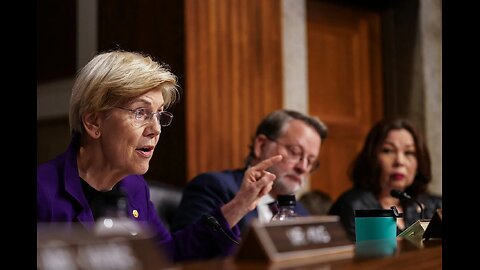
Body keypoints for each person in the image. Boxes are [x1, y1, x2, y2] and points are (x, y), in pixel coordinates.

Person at [37, 50, 284, 262]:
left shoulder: (135, 188)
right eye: (141, 112)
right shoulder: (42, 191)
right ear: (93, 122)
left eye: (158, 115)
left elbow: (168, 256)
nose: (155, 129)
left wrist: (239, 205)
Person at [171, 109, 328, 233]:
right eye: (294, 152)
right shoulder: (213, 187)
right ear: (261, 145)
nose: (303, 168)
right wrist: (239, 206)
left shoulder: (302, 213)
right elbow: (188, 254)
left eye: (311, 161)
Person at [328, 118, 442, 240]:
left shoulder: (434, 206)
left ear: (419, 163)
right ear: (372, 157)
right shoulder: (353, 206)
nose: (399, 161)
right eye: (388, 151)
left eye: (409, 153)